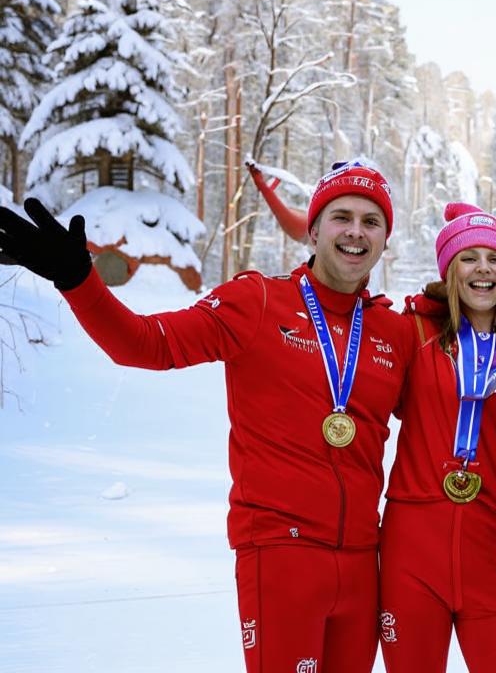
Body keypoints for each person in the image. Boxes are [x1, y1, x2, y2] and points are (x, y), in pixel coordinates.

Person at [0, 161, 413, 673]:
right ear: (312, 227)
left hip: (362, 561)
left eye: (371, 222)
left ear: (385, 239)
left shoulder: (394, 333)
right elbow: (144, 344)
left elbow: (444, 411)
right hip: (280, 554)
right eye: (341, 216)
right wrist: (78, 280)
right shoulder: (257, 300)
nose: (356, 232)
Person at [379, 202, 496, 672]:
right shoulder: (411, 333)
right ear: (449, 269)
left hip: (493, 550)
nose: (483, 269)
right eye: (468, 257)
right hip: (411, 554)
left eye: (495, 258)